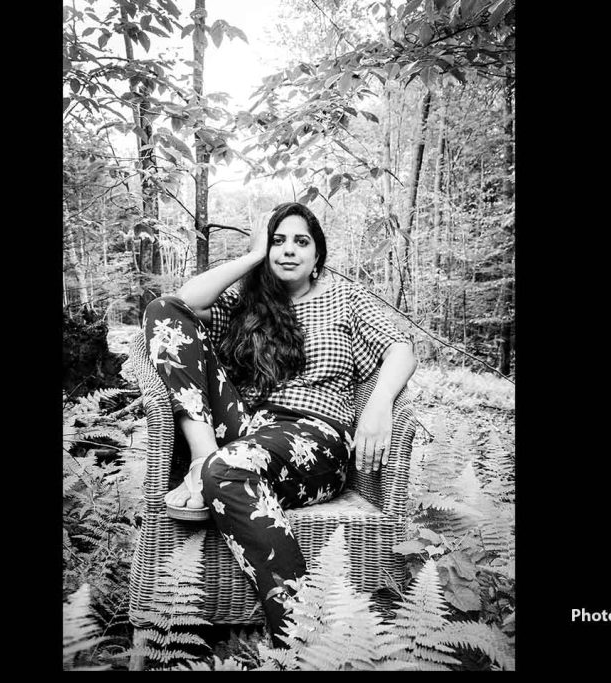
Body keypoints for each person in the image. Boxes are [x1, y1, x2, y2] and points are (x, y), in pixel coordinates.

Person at [141, 202, 417, 646]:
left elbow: (401, 348)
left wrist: (379, 402)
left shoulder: (344, 298)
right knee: (162, 310)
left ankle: (302, 639)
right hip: (248, 429)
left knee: (226, 469)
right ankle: (201, 455)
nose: (288, 251)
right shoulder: (250, 300)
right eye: (278, 241)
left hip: (315, 439)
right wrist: (252, 257)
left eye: (301, 241)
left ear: (317, 255)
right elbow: (181, 305)